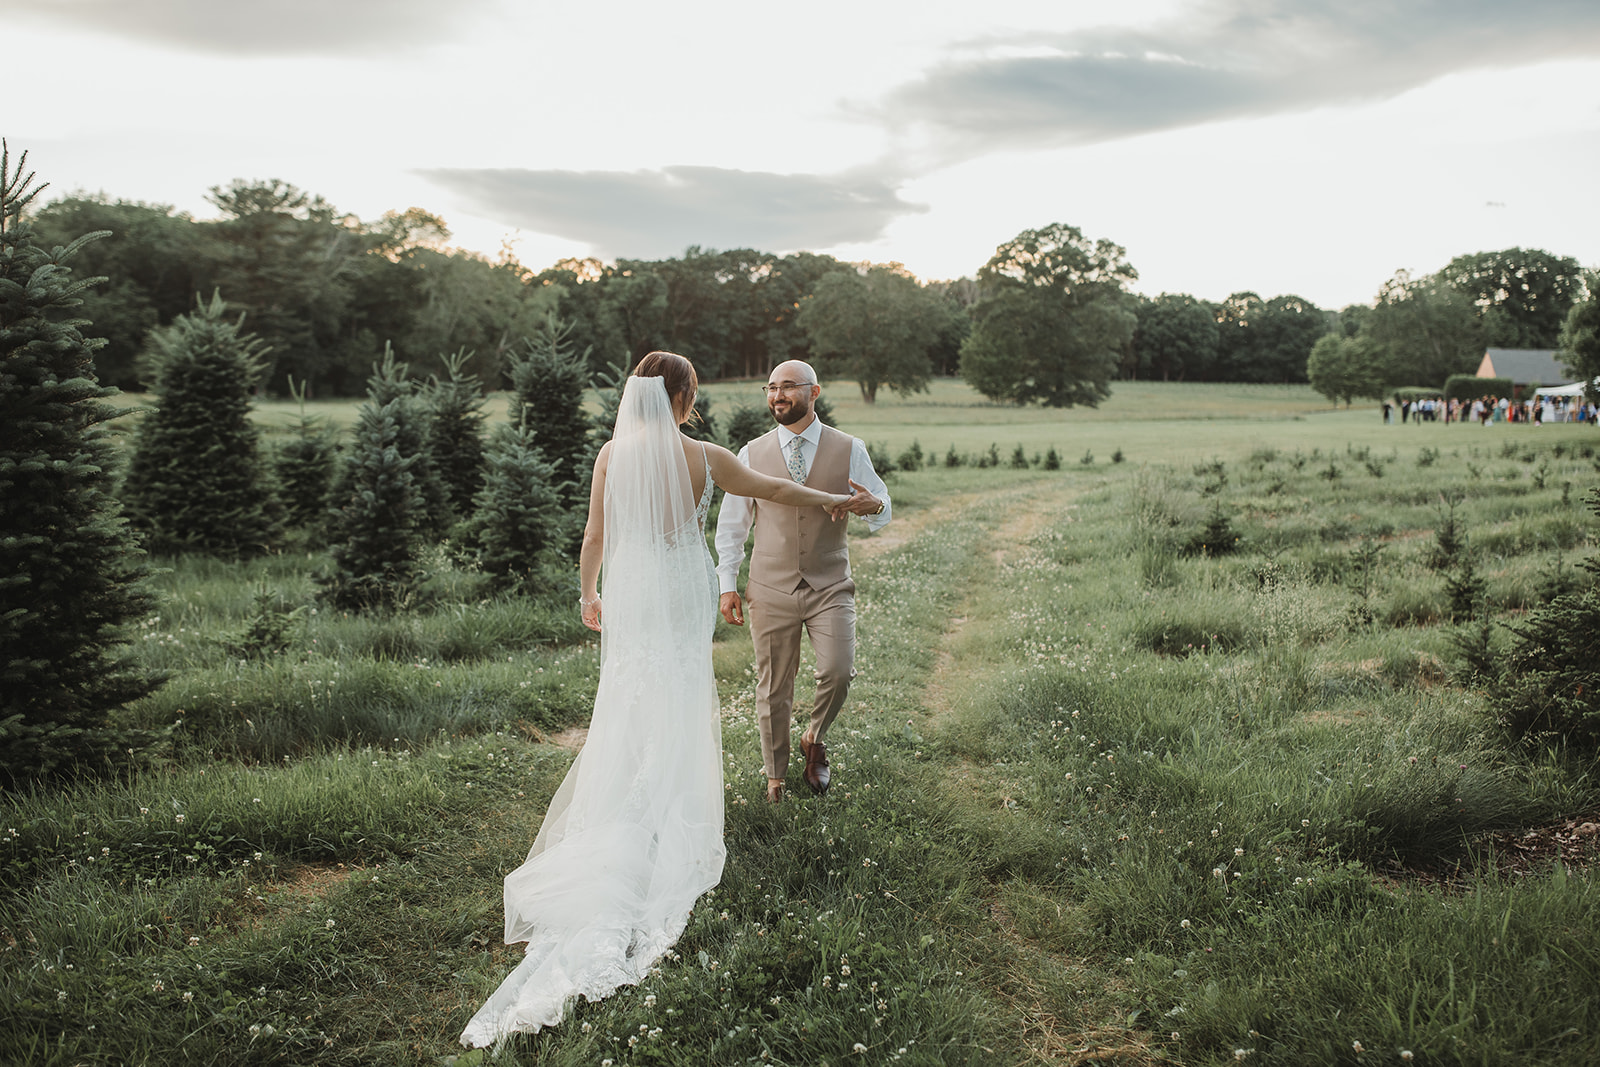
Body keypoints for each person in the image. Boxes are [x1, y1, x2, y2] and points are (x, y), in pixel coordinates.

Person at [460, 352, 855, 1048]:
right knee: (678, 690)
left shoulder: (611, 453)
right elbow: (772, 488)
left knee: (629, 696)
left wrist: (589, 594)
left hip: (634, 592)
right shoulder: (703, 456)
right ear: (683, 396)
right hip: (679, 592)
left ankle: (627, 803)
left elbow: (594, 535)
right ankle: (669, 802)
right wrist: (830, 500)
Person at [714, 360, 891, 804]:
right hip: (769, 585)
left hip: (830, 583)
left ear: (814, 393)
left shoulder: (850, 447)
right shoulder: (750, 453)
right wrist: (727, 583)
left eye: (789, 387)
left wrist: (872, 506)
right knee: (774, 685)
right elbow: (732, 525)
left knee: (838, 671)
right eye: (771, 387)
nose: (778, 395)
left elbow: (881, 504)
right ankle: (775, 779)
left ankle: (815, 736)